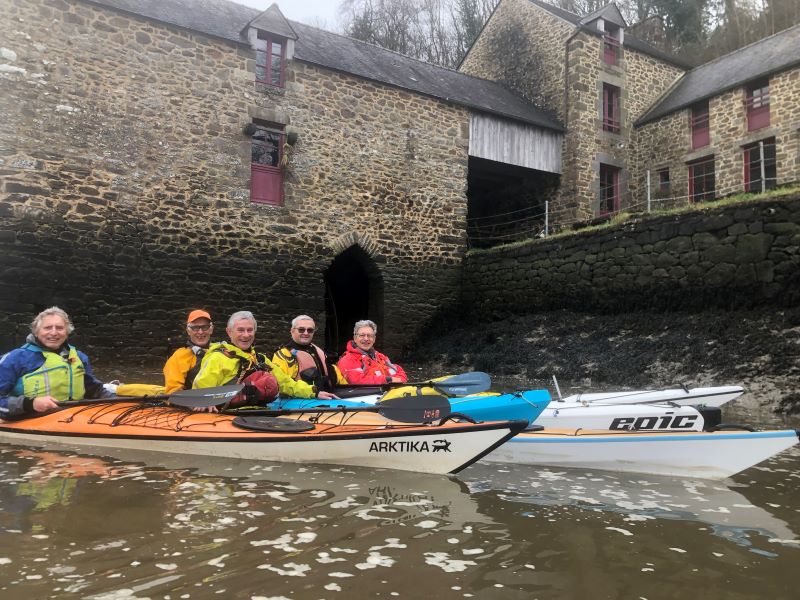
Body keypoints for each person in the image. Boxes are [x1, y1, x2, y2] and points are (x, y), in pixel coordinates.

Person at [192, 311, 337, 410]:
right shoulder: (218, 357)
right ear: (229, 332)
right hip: (227, 415)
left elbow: (285, 382)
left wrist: (314, 392)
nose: (246, 335)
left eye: (250, 330)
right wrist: (205, 401)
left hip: (257, 413)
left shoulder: (260, 359)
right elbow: (202, 386)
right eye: (240, 330)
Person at [0, 307, 112, 419]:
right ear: (36, 332)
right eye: (47, 328)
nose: (54, 332)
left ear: (67, 332)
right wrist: (30, 404)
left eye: (59, 328)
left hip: (74, 419)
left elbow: (95, 390)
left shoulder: (79, 357)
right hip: (30, 420)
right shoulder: (15, 358)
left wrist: (118, 400)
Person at [272, 315, 347, 392]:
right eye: (301, 329)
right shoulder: (283, 354)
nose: (306, 333)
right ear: (292, 331)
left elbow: (336, 375)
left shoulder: (319, 352)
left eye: (310, 330)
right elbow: (282, 384)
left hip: (328, 398)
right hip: (301, 400)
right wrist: (312, 392)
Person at [337, 320, 408, 385]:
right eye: (362, 335)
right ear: (355, 338)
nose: (366, 339)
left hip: (388, 393)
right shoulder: (348, 359)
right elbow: (356, 381)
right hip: (366, 397)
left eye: (370, 336)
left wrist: (396, 380)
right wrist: (388, 380)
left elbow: (400, 372)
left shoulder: (380, 356)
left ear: (374, 339)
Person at [162, 309, 217, 393]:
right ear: (188, 331)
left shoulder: (223, 351)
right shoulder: (179, 356)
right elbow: (174, 390)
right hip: (192, 401)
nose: (200, 332)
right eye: (195, 328)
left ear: (211, 329)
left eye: (205, 327)